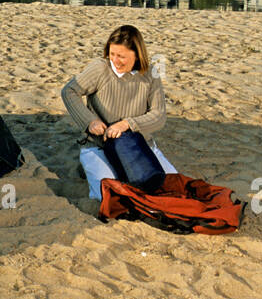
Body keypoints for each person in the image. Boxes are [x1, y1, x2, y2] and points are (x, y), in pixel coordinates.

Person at [61, 24, 178, 198]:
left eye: (121, 56)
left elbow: (159, 116)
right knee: (111, 197)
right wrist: (89, 121)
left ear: (137, 55)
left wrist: (126, 124)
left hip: (138, 147)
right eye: (112, 54)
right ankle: (90, 166)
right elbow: (69, 91)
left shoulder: (151, 74)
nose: (115, 60)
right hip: (98, 145)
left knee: (172, 190)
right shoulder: (101, 68)